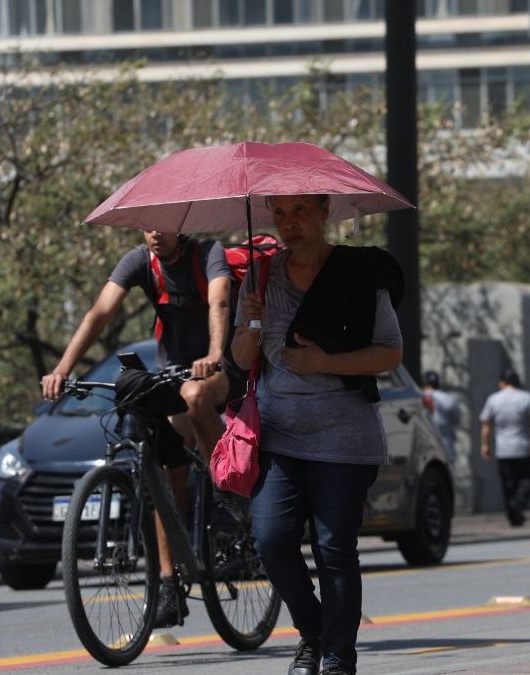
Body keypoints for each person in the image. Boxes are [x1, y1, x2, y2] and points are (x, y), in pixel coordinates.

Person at [231, 193, 403, 675]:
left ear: (325, 211)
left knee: (334, 548)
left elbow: (390, 353)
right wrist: (253, 322)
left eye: (301, 210)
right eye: (280, 213)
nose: (290, 223)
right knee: (270, 539)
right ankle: (312, 631)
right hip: (278, 436)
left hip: (344, 439)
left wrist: (325, 363)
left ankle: (337, 659)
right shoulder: (260, 276)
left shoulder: (358, 273)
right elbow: (243, 358)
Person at [40, 230, 233, 628]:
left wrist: (214, 353)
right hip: (170, 375)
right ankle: (167, 584)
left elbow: (219, 299)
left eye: (162, 224)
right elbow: (99, 313)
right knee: (166, 473)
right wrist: (63, 368)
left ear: (180, 224)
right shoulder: (139, 261)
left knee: (196, 397)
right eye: (148, 225)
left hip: (215, 370)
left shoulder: (208, 253)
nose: (155, 233)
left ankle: (228, 493)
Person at [480, 368, 530, 527]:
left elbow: (486, 425)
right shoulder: (526, 397)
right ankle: (518, 505)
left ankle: (513, 515)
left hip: (503, 450)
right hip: (523, 448)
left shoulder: (493, 399)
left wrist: (485, 445)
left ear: (502, 382)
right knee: (529, 479)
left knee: (508, 484)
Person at [422, 370, 462, 461]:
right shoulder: (447, 398)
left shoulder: (418, 397)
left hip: (423, 446)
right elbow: (456, 419)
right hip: (444, 444)